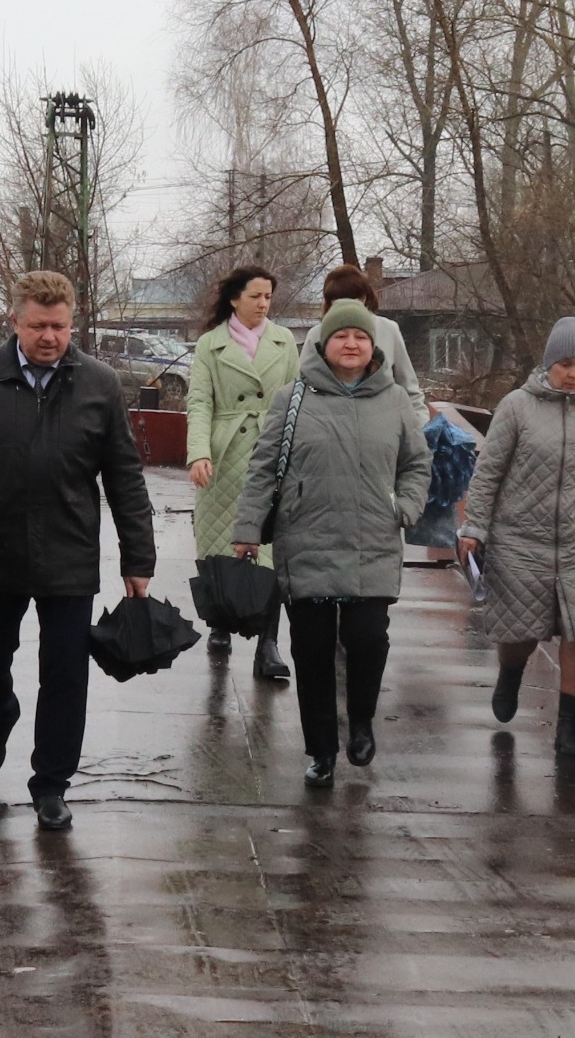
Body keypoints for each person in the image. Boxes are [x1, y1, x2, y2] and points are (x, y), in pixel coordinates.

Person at [0, 270, 156, 831]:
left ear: (72, 322)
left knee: (65, 675)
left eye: (59, 326)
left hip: (69, 555)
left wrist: (138, 558)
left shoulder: (99, 383)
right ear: (14, 321)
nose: (50, 337)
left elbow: (124, 475)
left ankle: (52, 784)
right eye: (37, 326)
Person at [232, 299, 432, 787]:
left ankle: (360, 720)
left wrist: (404, 508)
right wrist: (247, 529)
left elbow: (417, 464)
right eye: (341, 335)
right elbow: (262, 469)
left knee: (368, 640)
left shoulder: (394, 400)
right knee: (312, 649)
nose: (351, 343)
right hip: (307, 539)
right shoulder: (292, 398)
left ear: (372, 345)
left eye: (360, 336)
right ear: (323, 343)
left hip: (373, 540)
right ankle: (321, 750)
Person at [456, 317, 575, 759]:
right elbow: (488, 472)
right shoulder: (516, 407)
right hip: (521, 538)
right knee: (521, 629)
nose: (574, 374)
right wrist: (475, 528)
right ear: (548, 363)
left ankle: (569, 728)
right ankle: (510, 673)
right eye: (565, 364)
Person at [185, 265, 299, 678]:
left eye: (268, 296)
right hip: (224, 455)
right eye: (255, 296)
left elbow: (297, 400)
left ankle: (268, 644)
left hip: (272, 452)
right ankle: (220, 622)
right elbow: (199, 401)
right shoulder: (209, 344)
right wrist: (199, 453)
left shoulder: (284, 341)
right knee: (218, 542)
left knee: (271, 549)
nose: (263, 304)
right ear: (235, 299)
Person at [299, 264, 430, 427]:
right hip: (329, 427)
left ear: (364, 298)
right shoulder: (316, 334)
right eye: (338, 301)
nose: (351, 344)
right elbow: (301, 386)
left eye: (361, 337)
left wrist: (421, 429)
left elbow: (409, 389)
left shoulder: (388, 329)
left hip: (383, 427)